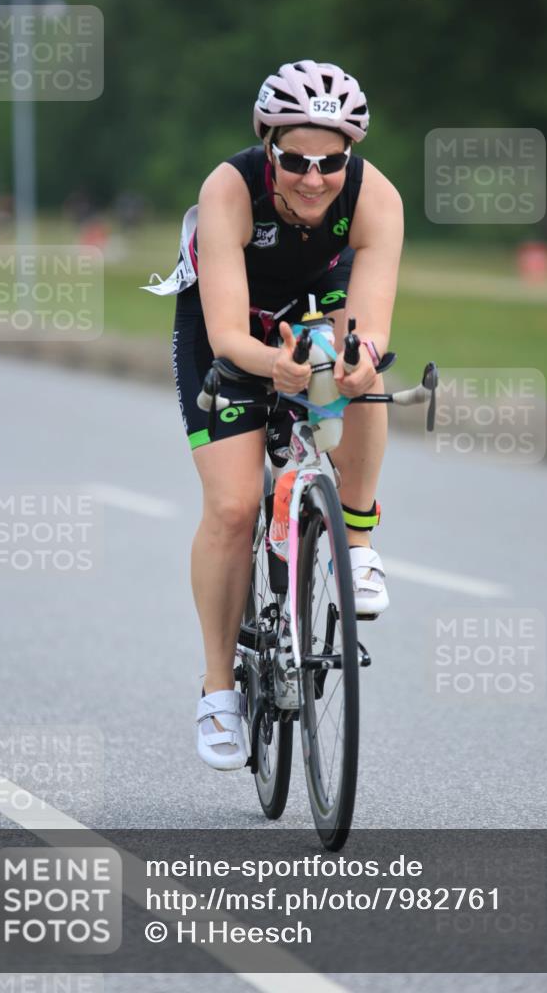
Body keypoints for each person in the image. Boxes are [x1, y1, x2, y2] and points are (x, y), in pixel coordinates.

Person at [143, 60, 404, 771]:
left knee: (361, 373)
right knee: (231, 509)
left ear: (350, 156)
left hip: (319, 305)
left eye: (331, 161)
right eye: (294, 159)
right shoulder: (229, 189)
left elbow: (371, 322)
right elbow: (229, 336)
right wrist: (274, 369)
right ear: (268, 146)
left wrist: (356, 361)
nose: (313, 177)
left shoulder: (375, 197)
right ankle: (219, 690)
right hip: (229, 328)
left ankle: (356, 544)